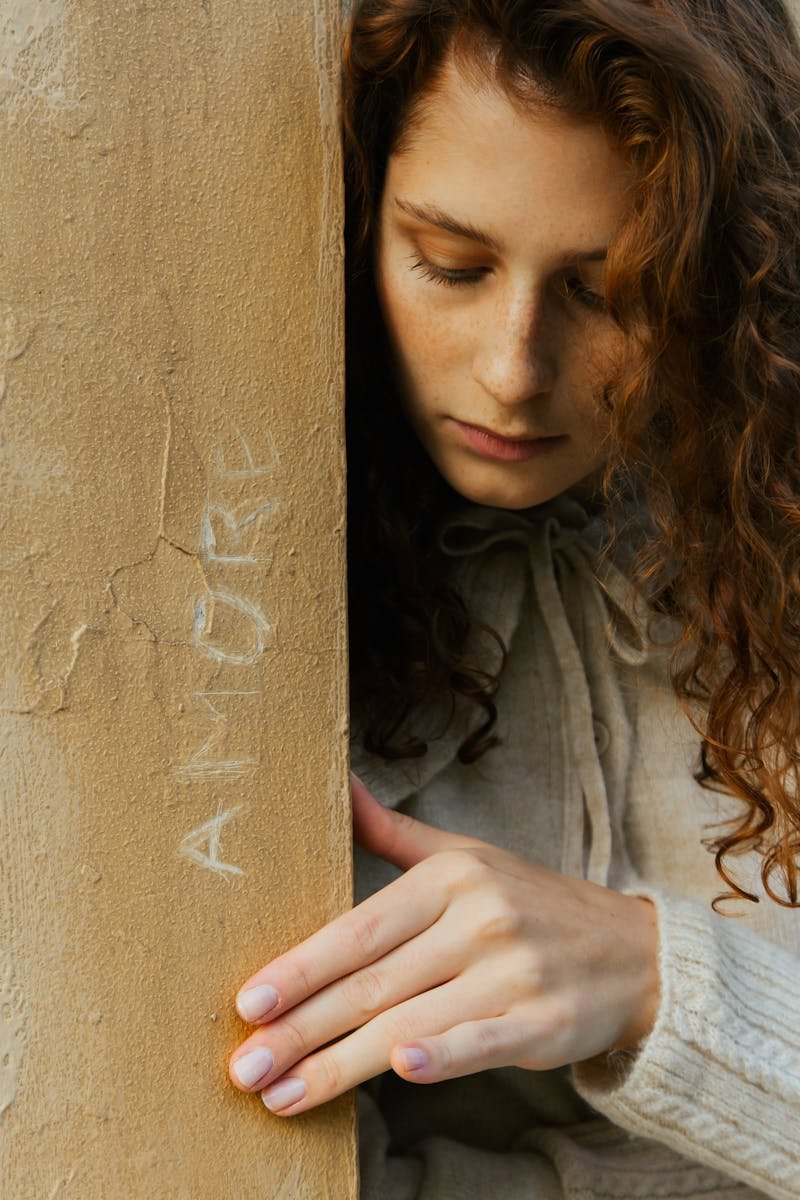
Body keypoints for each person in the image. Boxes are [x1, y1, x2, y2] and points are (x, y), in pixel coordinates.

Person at [227, 0, 800, 1196]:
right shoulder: (250, 596)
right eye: (449, 263)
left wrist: (654, 985)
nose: (510, 368)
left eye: (605, 292)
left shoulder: (771, 546)